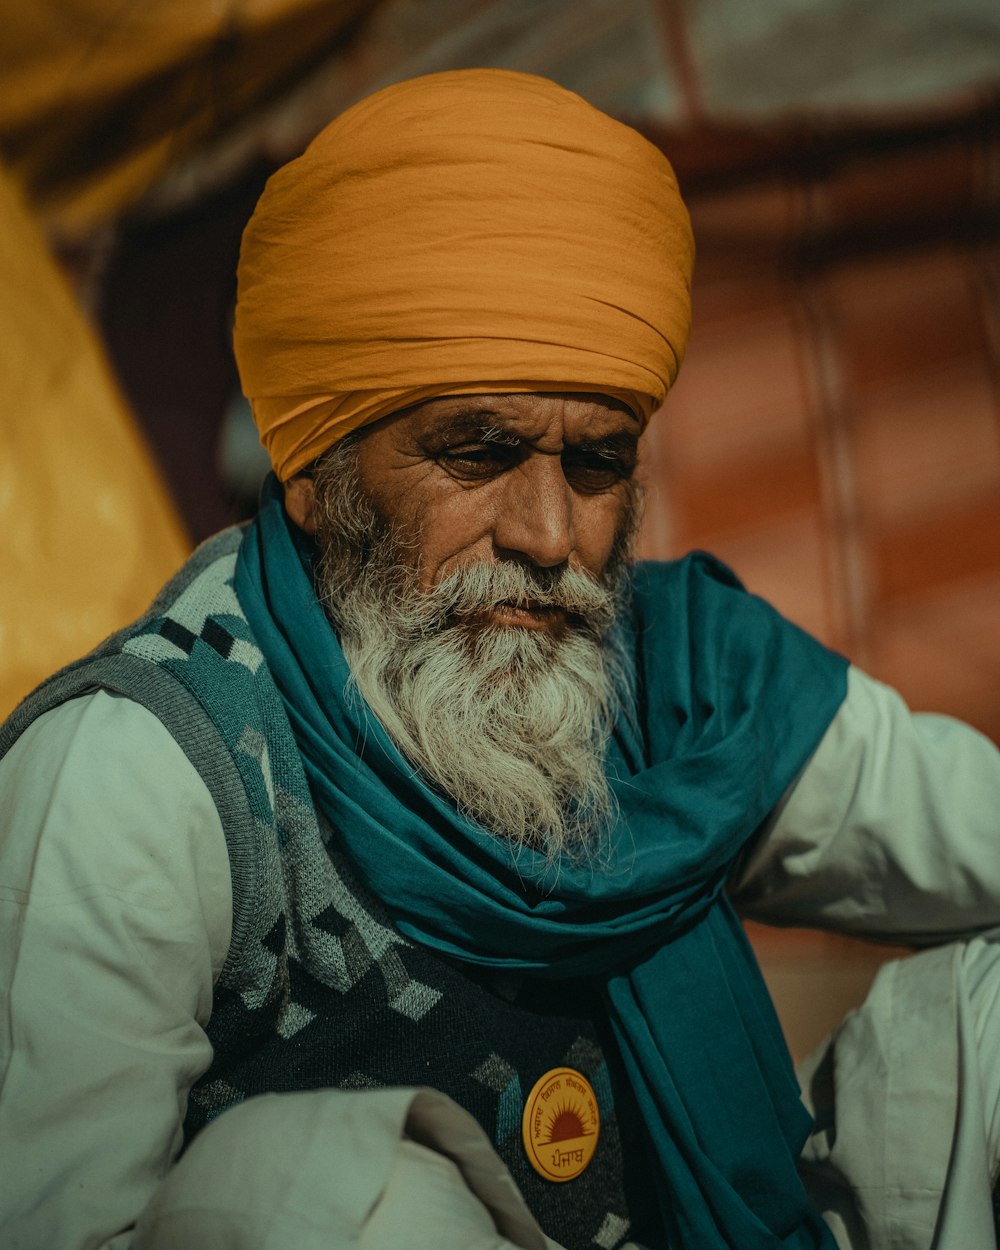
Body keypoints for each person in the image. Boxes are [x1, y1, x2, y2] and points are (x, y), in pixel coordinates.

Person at [1, 68, 999, 1250]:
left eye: (597, 463)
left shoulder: (680, 681)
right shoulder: (140, 775)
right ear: (315, 475)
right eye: (476, 451)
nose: (550, 536)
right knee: (332, 1196)